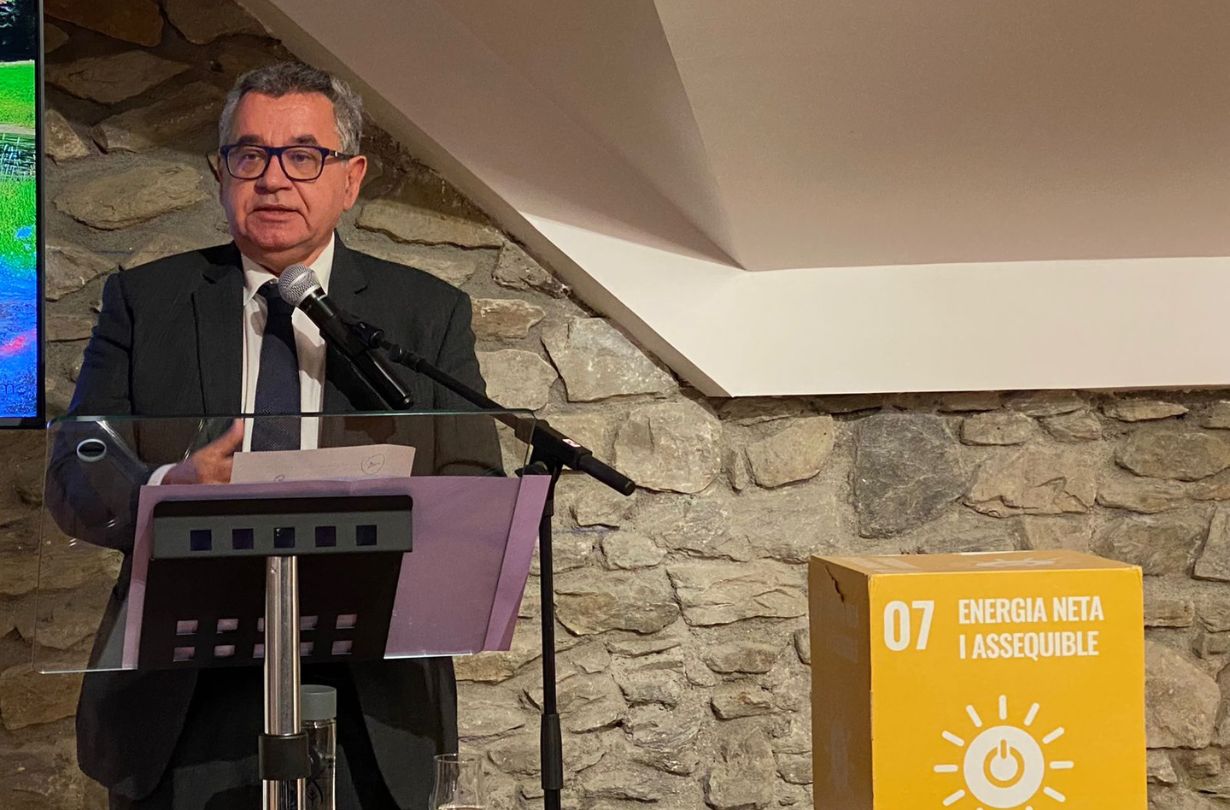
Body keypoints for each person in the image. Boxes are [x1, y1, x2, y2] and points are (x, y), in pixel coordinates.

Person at [62, 61, 499, 809]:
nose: (272, 179)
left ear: (351, 179)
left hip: (371, 698)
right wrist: (167, 488)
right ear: (221, 172)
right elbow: (77, 470)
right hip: (181, 697)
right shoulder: (144, 301)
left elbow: (476, 484)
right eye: (250, 155)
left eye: (303, 156)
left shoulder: (425, 313)